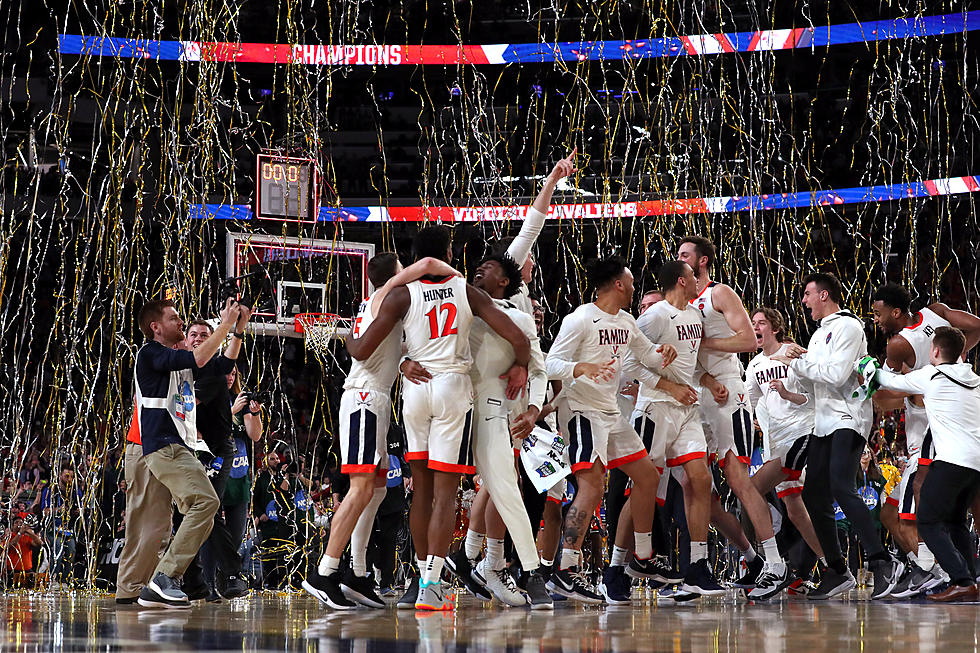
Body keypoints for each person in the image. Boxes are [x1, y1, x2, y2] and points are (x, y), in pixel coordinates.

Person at [346, 225, 531, 611]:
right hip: (451, 386)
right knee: (446, 494)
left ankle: (419, 575)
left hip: (415, 390)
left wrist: (349, 336)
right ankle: (432, 586)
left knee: (422, 493)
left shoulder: (401, 294)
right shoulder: (465, 289)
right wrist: (521, 367)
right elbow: (518, 338)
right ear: (448, 251)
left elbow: (362, 350)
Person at [302, 252, 459, 610]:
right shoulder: (384, 295)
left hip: (375, 398)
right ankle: (325, 573)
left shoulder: (373, 307)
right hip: (363, 398)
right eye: (402, 272)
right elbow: (429, 263)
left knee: (373, 488)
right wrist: (457, 278)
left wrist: (405, 360)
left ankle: (357, 573)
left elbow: (388, 348)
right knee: (359, 489)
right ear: (394, 275)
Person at [544, 256, 678, 603]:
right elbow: (549, 363)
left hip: (611, 413)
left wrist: (662, 353)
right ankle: (565, 569)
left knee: (647, 476)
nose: (634, 287)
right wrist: (581, 366)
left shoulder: (627, 321)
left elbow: (647, 356)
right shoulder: (580, 319)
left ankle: (644, 557)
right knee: (592, 485)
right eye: (631, 282)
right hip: (582, 410)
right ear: (618, 284)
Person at [773, 273, 904, 600]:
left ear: (824, 295)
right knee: (814, 495)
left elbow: (834, 375)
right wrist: (799, 363)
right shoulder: (819, 334)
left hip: (849, 418)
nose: (803, 301)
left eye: (807, 294)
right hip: (824, 421)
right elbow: (811, 387)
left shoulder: (848, 327)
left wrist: (801, 362)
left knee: (840, 486)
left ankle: (882, 562)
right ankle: (836, 569)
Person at [441, 254, 552, 609]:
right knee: (433, 492)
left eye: (488, 267)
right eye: (479, 264)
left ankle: (528, 572)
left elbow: (538, 370)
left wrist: (534, 408)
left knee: (507, 487)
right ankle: (428, 575)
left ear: (505, 280)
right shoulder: (457, 302)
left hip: (490, 409)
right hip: (450, 406)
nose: (479, 268)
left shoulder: (518, 317)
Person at [677, 236, 786, 591]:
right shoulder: (682, 305)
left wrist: (705, 344)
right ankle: (751, 558)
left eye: (685, 255)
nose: (679, 259)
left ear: (703, 260)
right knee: (698, 488)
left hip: (728, 393)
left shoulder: (719, 293)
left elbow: (747, 341)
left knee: (738, 480)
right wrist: (704, 377)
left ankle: (776, 563)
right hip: (701, 392)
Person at [611, 260, 724, 602]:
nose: (698, 280)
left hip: (685, 409)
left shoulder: (694, 315)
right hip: (655, 407)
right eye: (693, 275)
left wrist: (706, 381)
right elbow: (628, 364)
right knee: (642, 490)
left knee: (701, 480)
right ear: (681, 280)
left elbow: (691, 363)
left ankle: (697, 566)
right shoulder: (654, 316)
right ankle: (615, 568)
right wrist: (669, 387)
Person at [130, 297, 242, 608]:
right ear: (156, 327)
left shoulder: (178, 362)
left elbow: (223, 364)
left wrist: (239, 330)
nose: (181, 323)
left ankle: (174, 580)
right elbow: (200, 358)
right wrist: (225, 325)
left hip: (182, 448)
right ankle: (164, 578)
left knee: (203, 511)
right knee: (203, 504)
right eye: (174, 318)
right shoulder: (151, 354)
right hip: (163, 447)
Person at [870, 282, 980, 595]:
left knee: (925, 516)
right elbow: (977, 326)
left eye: (878, 313)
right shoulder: (969, 372)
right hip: (971, 451)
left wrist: (861, 367)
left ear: (934, 352)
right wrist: (960, 355)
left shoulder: (910, 356)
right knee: (953, 518)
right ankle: (964, 577)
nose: (875, 319)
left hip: (938, 445)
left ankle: (946, 574)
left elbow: (884, 384)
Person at [743, 307, 825, 598]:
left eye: (761, 323)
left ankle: (773, 565)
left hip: (801, 434)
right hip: (776, 442)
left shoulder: (794, 353)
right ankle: (832, 568)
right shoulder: (753, 365)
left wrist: (787, 394)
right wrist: (752, 418)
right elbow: (751, 402)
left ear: (775, 328)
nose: (755, 327)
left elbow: (812, 396)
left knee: (751, 490)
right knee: (795, 510)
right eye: (752, 323)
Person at [182, 320, 249, 600]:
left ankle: (233, 574)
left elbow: (185, 412)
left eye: (205, 335)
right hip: (190, 449)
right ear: (185, 341)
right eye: (193, 334)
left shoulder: (211, 370)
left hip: (217, 451)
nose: (198, 339)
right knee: (185, 514)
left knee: (209, 508)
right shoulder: (181, 369)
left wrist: (237, 325)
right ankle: (196, 579)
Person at [4, 515, 42, 588]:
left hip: (27, 571)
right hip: (12, 572)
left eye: (21, 523)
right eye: (16, 522)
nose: (19, 524)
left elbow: (39, 544)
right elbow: (11, 546)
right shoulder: (8, 536)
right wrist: (20, 533)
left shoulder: (27, 536)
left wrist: (31, 533)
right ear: (12, 526)